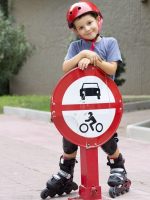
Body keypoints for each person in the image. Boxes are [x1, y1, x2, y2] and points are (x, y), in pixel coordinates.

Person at [41, 1, 131, 199]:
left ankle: (118, 168)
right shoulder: (76, 47)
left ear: (99, 20)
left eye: (90, 23)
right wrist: (83, 54)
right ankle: (66, 172)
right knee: (71, 136)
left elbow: (112, 69)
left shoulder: (110, 43)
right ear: (75, 30)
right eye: (81, 27)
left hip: (104, 103)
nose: (87, 29)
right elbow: (66, 68)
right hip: (77, 104)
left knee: (105, 137)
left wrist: (94, 59)